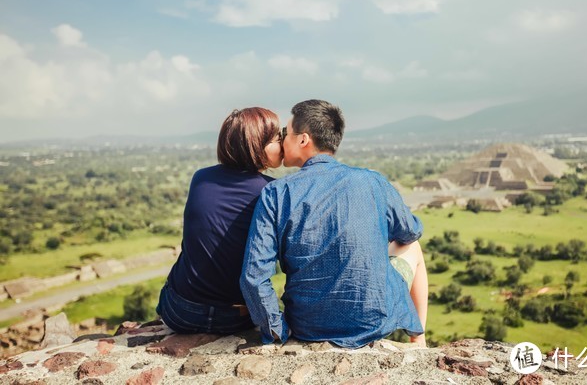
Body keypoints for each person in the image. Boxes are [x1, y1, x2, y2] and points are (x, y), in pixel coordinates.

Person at [240, 99, 428, 348]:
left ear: (303, 139)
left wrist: (277, 330)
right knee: (412, 246)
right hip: (373, 319)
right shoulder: (372, 182)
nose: (282, 140)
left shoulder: (277, 193)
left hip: (307, 325)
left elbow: (254, 277)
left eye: (285, 133)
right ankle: (419, 339)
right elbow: (410, 231)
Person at [156, 107, 283, 334]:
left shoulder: (201, 178)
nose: (282, 144)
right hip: (234, 318)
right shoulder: (270, 191)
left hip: (179, 311)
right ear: (256, 145)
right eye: (276, 138)